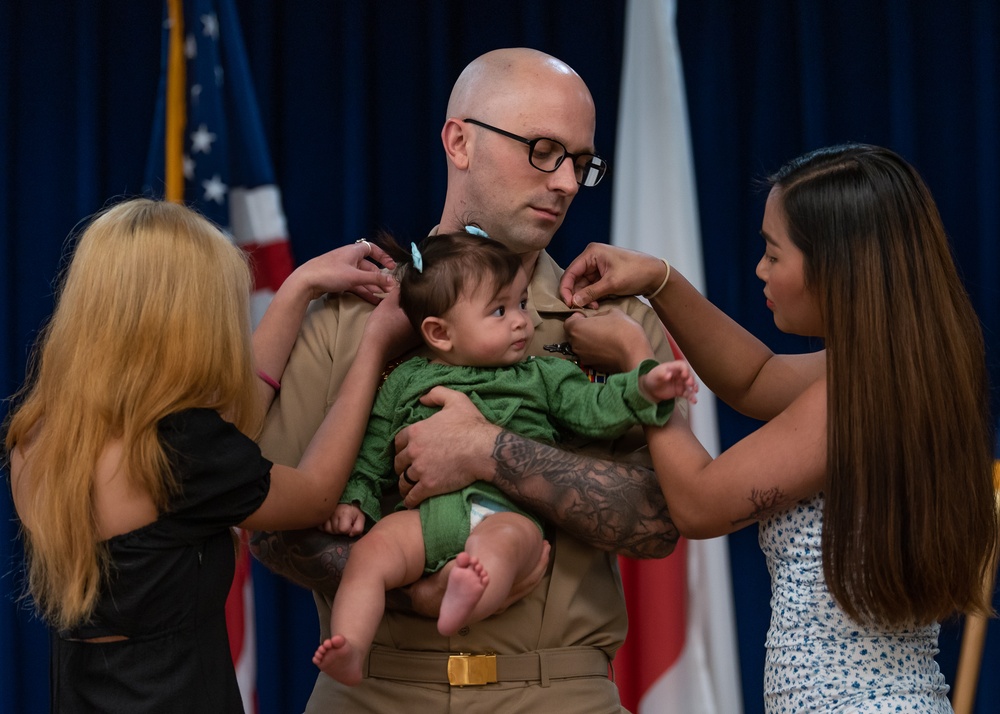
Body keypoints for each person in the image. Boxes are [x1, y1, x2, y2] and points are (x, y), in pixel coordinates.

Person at [251, 48, 681, 712]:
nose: (565, 181)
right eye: (542, 150)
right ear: (460, 141)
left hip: (555, 691)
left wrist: (491, 452)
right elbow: (270, 523)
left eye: (580, 161)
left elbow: (658, 523)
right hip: (372, 687)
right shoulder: (355, 315)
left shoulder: (615, 326)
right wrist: (406, 590)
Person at [556, 144, 999, 712]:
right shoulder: (904, 372)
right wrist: (660, 280)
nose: (760, 269)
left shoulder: (848, 403)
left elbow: (697, 503)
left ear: (837, 267)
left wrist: (639, 365)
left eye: (773, 253)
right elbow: (754, 378)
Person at [2, 198, 408, 713]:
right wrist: (372, 349)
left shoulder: (39, 433)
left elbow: (227, 436)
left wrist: (298, 289)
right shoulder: (179, 449)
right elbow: (317, 495)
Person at [312, 230, 697, 686]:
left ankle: (465, 592)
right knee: (370, 558)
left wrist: (643, 386)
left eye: (519, 304)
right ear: (439, 332)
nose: (521, 321)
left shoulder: (542, 374)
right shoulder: (405, 379)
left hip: (506, 512)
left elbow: (594, 410)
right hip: (427, 518)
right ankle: (351, 646)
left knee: (506, 549)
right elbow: (375, 444)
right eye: (500, 310)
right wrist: (356, 500)